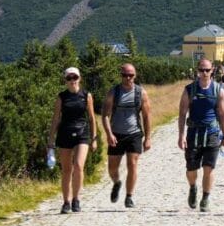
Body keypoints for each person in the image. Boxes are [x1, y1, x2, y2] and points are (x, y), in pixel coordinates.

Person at [178, 57, 224, 212]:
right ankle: (193, 187)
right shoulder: (189, 90)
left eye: (207, 70)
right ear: (197, 71)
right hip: (194, 133)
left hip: (212, 133)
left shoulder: (218, 90)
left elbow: (222, 114)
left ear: (212, 70)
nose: (205, 73)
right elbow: (182, 114)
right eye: (202, 70)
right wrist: (181, 135)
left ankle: (205, 198)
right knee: (191, 170)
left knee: (209, 168)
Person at [48, 67, 98, 214]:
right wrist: (51, 140)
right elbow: (56, 119)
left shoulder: (86, 95)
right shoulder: (61, 97)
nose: (72, 81)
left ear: (79, 78)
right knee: (66, 170)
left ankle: (76, 199)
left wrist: (94, 138)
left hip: (82, 133)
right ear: (65, 80)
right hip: (64, 134)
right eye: (69, 78)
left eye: (74, 78)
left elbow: (92, 118)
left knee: (78, 166)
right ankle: (66, 202)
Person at [102, 63, 152, 208]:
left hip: (134, 134)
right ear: (121, 76)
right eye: (125, 75)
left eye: (131, 75)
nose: (128, 78)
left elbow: (147, 116)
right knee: (112, 168)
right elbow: (105, 115)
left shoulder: (141, 93)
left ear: (135, 76)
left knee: (133, 164)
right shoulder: (113, 92)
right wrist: (109, 134)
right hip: (116, 134)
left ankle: (129, 196)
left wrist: (148, 138)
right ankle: (117, 182)